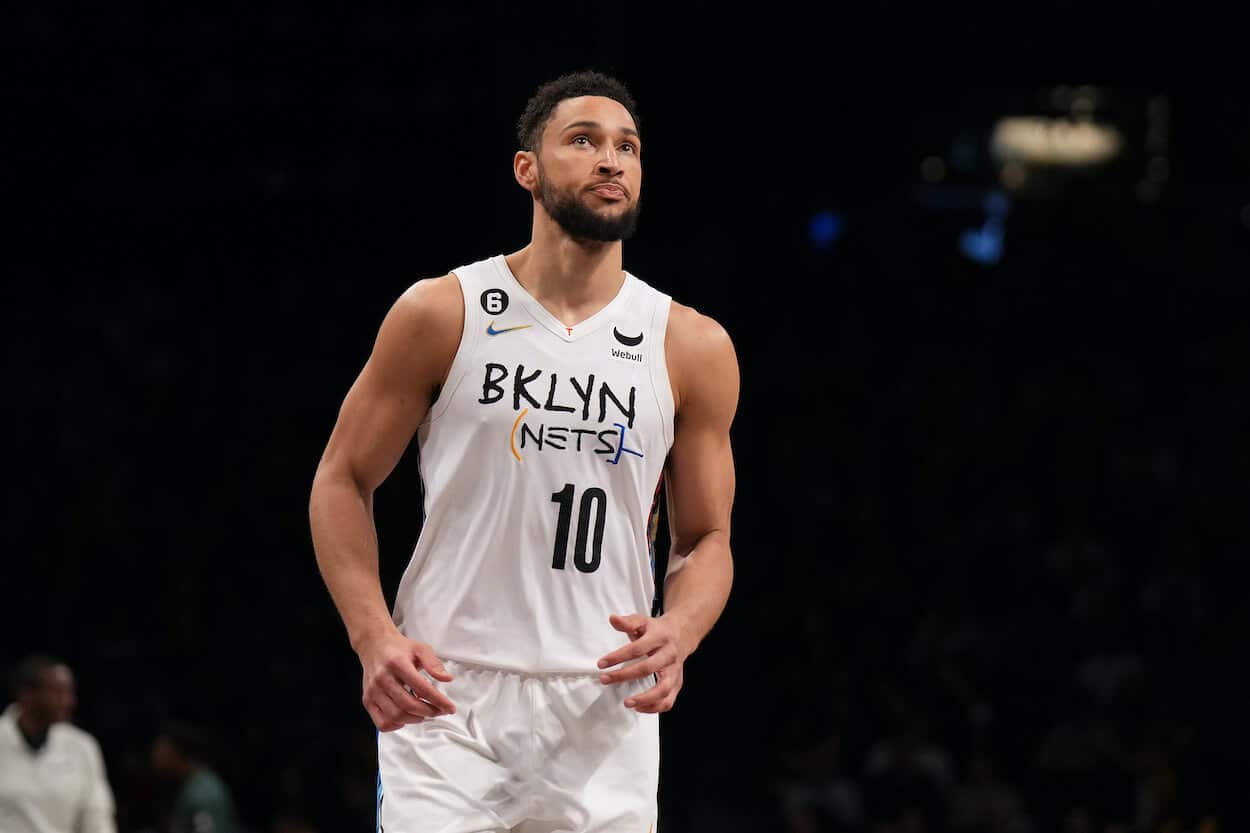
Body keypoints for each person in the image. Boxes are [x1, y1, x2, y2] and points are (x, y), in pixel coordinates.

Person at [309, 69, 739, 831]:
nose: (612, 161)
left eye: (628, 147)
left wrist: (682, 627)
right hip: (447, 691)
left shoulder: (691, 344)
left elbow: (705, 537)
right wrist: (372, 634)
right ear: (527, 169)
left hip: (605, 701)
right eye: (584, 141)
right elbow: (341, 478)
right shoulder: (443, 311)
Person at [0, 654, 118, 833]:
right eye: (57, 692)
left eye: (69, 692)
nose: (68, 702)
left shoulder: (82, 746)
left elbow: (97, 816)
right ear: (27, 694)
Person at [150, 722, 237, 833]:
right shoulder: (191, 784)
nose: (154, 756)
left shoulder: (203, 792)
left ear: (175, 751)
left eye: (160, 750)